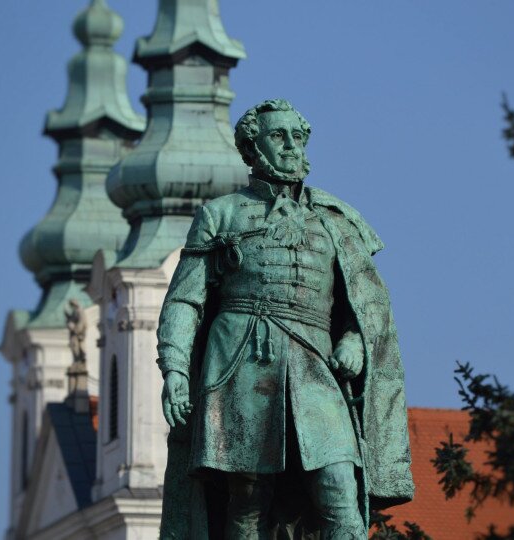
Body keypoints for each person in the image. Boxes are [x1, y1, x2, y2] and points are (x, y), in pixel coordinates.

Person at [157, 99, 412, 539]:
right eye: (278, 136)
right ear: (252, 149)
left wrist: (353, 340)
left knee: (338, 488)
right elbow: (185, 301)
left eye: (298, 136)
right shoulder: (220, 214)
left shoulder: (335, 219)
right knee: (247, 497)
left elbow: (364, 308)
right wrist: (176, 369)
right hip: (241, 361)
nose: (292, 146)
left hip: (315, 367)